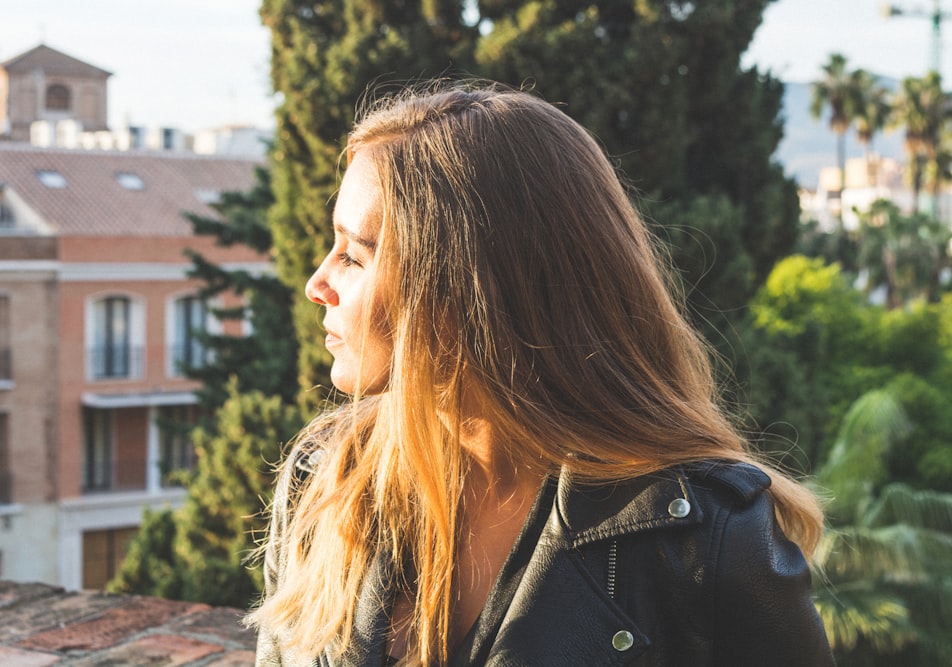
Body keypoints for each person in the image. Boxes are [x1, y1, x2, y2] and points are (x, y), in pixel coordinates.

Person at [247, 81, 835, 666]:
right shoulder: (326, 482)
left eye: (353, 255)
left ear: (465, 286)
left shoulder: (705, 541)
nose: (316, 284)